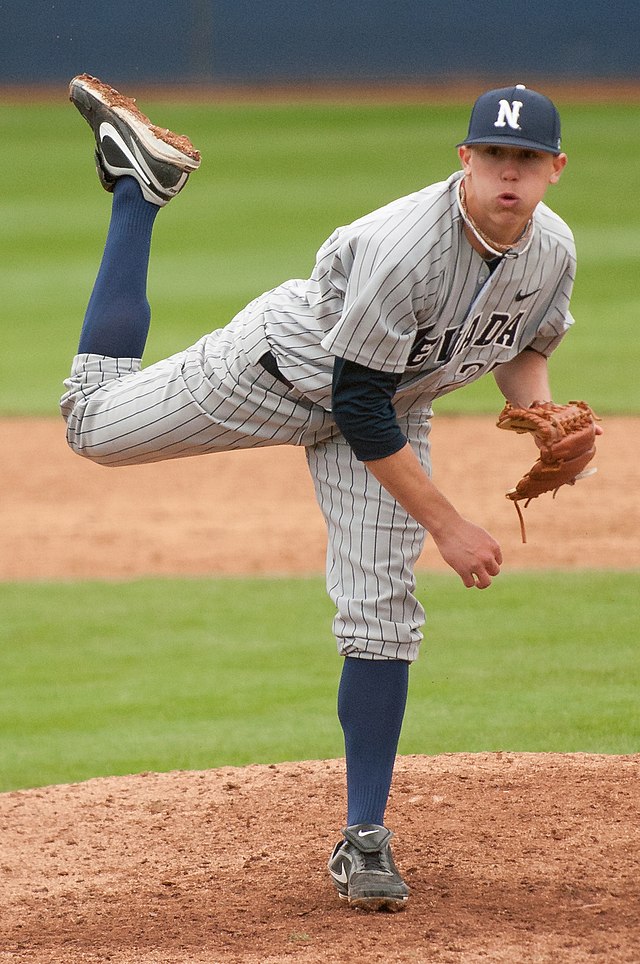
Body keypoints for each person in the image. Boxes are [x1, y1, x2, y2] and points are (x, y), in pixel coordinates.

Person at [62, 75, 577, 912]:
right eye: (493, 155)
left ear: (556, 168)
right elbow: (356, 402)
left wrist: (542, 416)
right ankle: (139, 192)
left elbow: (518, 346)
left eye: (525, 158)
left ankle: (364, 837)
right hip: (275, 371)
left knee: (381, 610)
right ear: (465, 160)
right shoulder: (406, 245)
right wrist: (446, 523)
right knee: (89, 429)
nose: (507, 173)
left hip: (386, 408)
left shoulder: (552, 250)